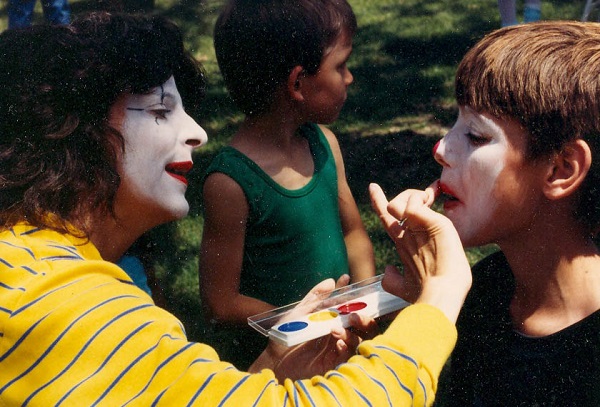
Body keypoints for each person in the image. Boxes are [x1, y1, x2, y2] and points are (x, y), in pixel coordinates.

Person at [0, 11, 474, 406]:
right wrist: (438, 299)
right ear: (74, 131)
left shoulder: (33, 271)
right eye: (162, 110)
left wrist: (271, 366)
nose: (198, 133)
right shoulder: (71, 311)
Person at [373, 21, 600, 406]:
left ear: (562, 169)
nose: (441, 148)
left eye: (476, 136)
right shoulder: (486, 291)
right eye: (454, 124)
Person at [199, 0, 376, 369]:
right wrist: (303, 321)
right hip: (276, 366)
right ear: (297, 83)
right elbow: (220, 300)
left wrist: (365, 302)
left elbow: (353, 233)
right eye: (340, 66)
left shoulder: (324, 144)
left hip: (340, 338)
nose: (350, 78)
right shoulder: (231, 182)